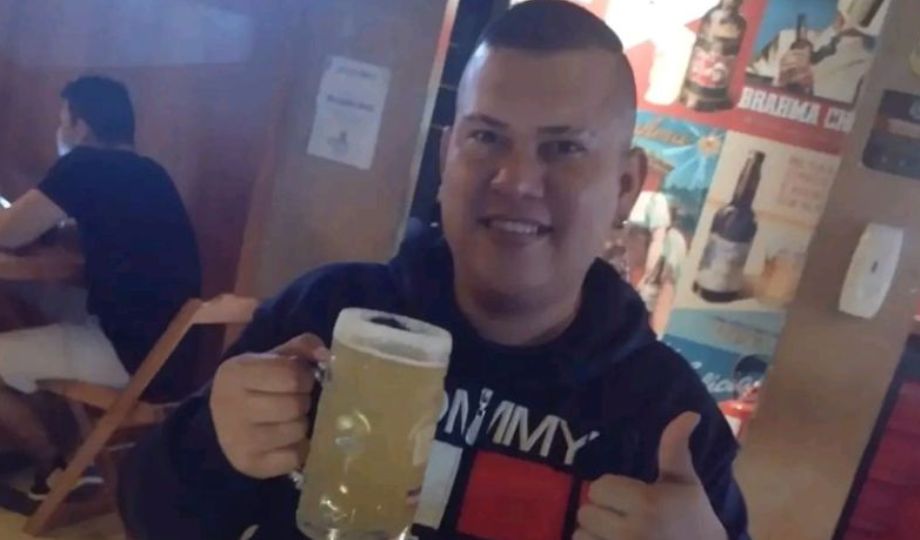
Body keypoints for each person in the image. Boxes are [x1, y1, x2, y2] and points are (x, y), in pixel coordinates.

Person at [120, 2, 748, 539]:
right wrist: (209, 445)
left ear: (625, 187)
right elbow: (151, 517)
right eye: (486, 137)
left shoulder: (670, 422)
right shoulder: (326, 313)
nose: (516, 180)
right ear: (447, 155)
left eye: (564, 148)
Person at [0, 76, 202, 498]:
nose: (60, 130)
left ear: (82, 126)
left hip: (127, 355)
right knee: (32, 323)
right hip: (174, 358)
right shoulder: (152, 173)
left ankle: (55, 467)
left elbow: (10, 232)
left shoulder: (84, 165)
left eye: (63, 120)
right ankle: (67, 458)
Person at [746, 0, 890, 105]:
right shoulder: (786, 39)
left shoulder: (866, 75)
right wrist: (777, 83)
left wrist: (805, 90)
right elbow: (741, 86)